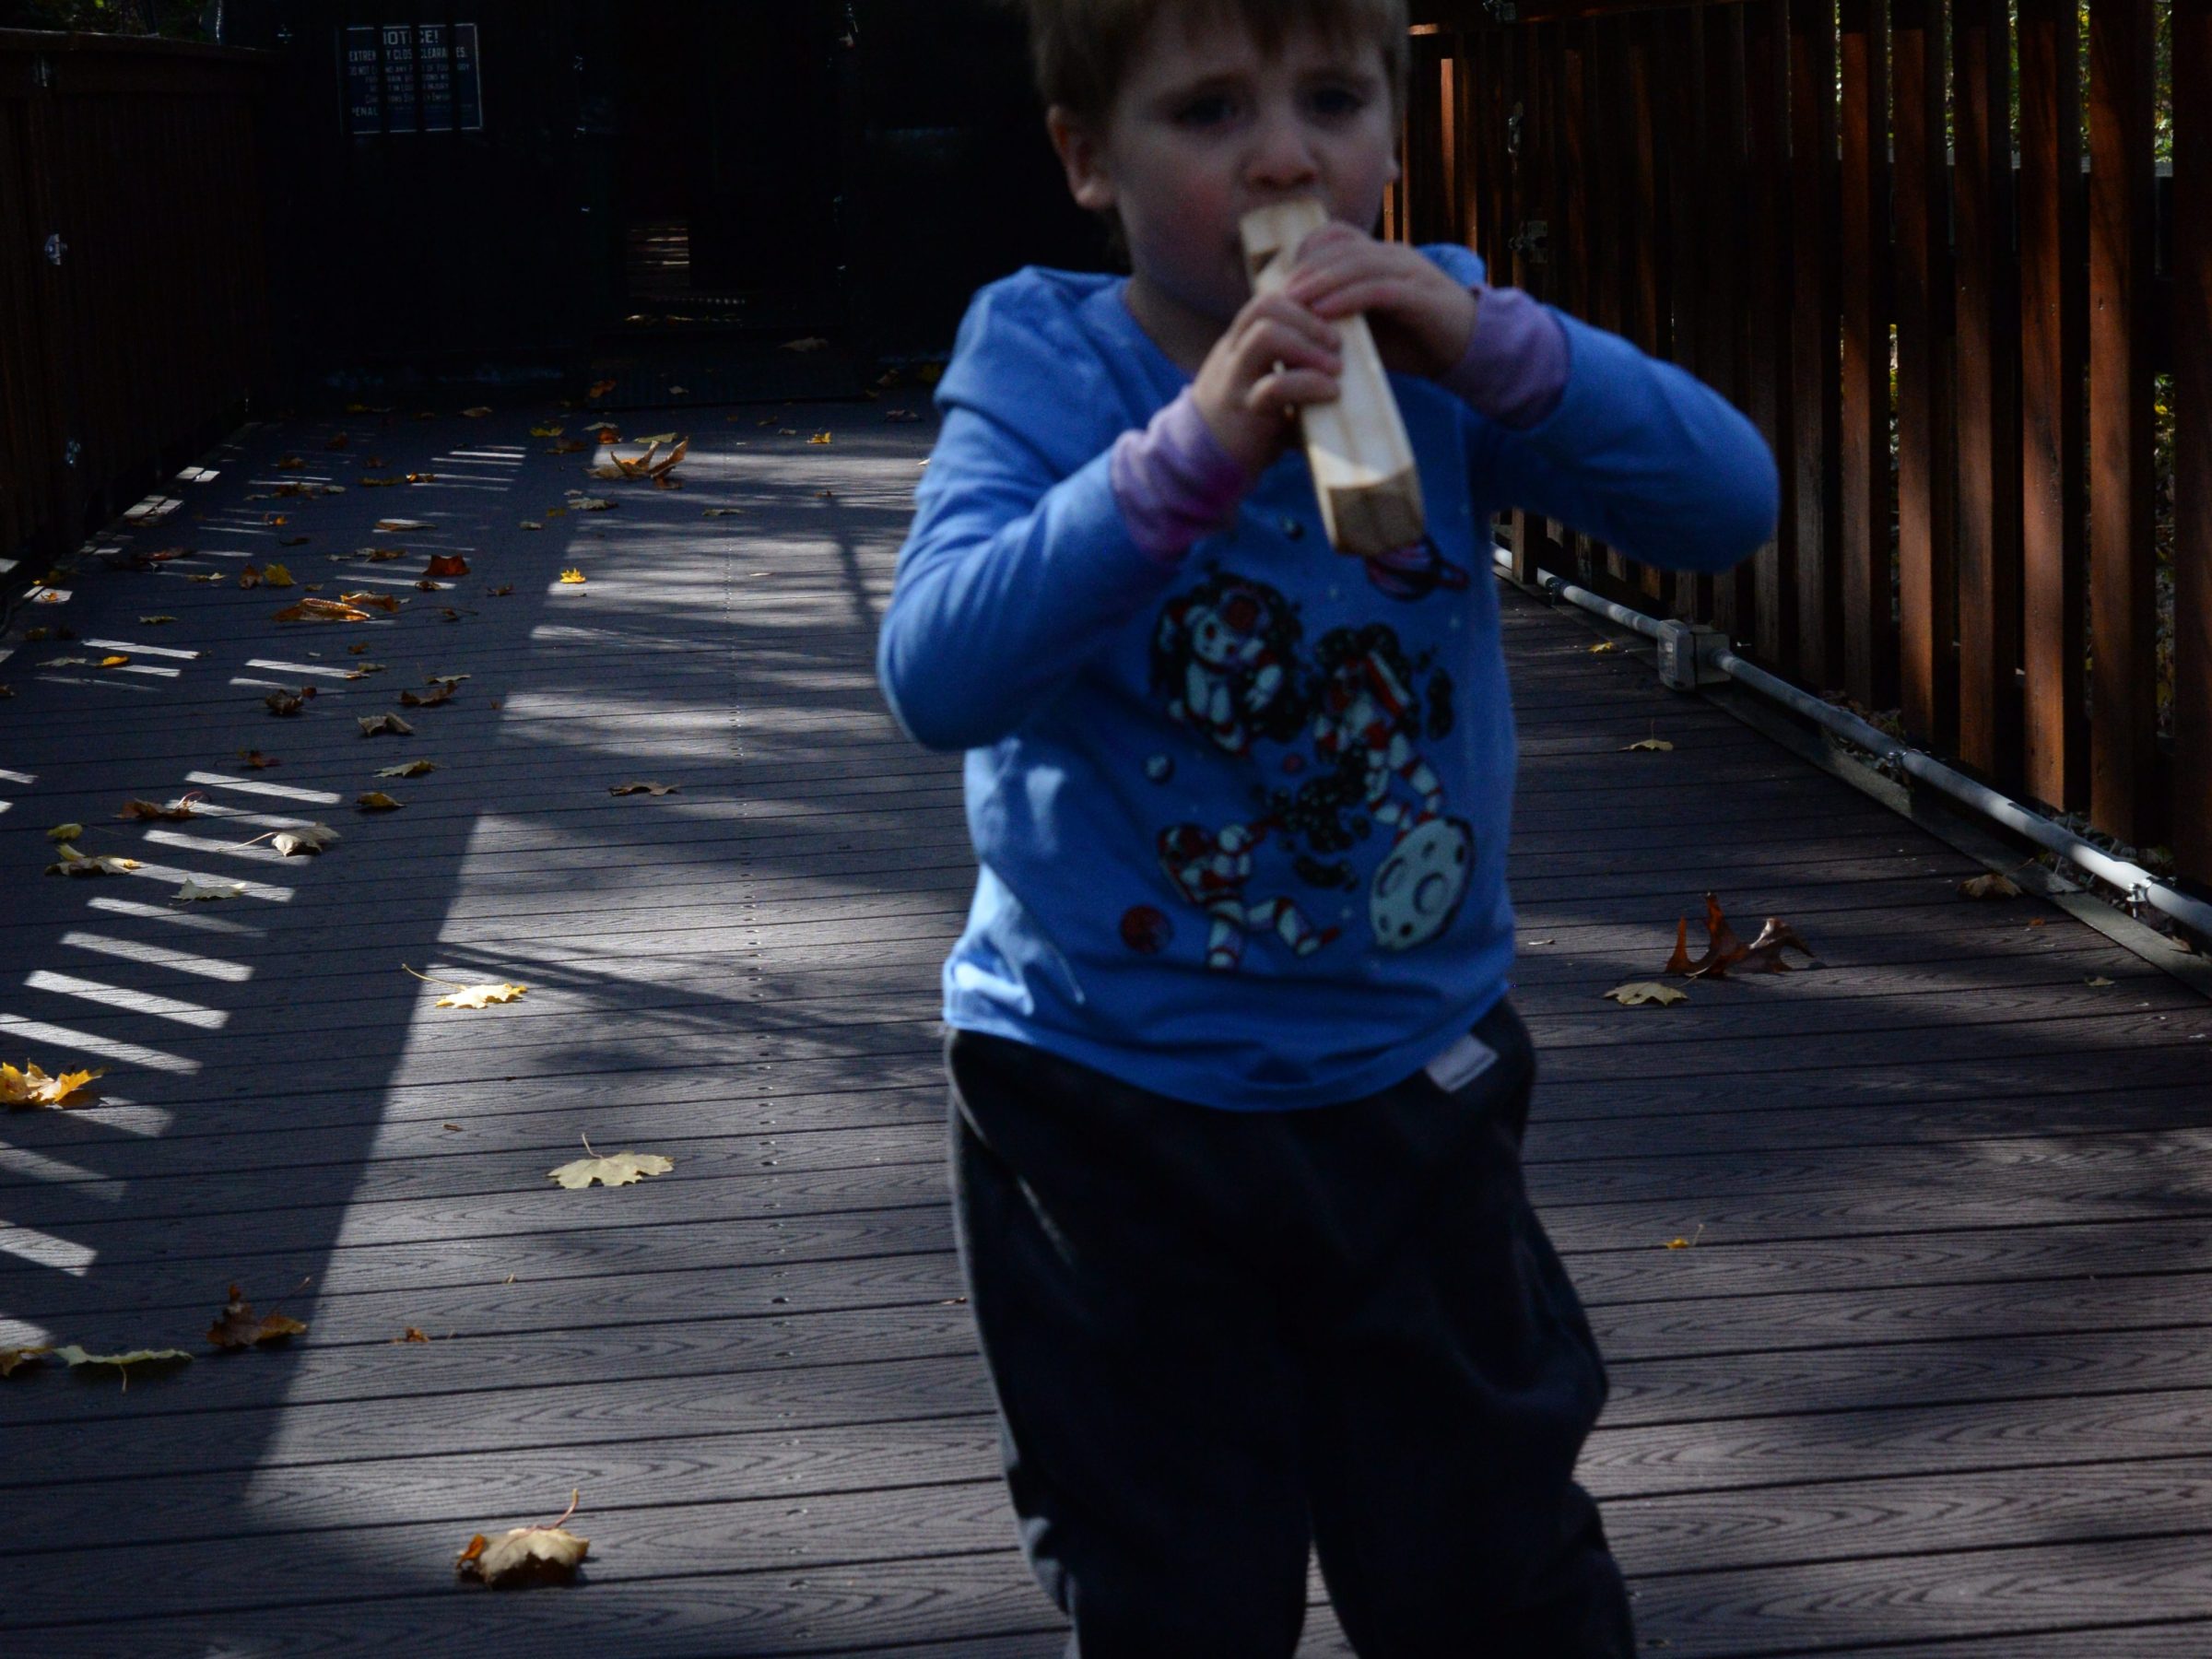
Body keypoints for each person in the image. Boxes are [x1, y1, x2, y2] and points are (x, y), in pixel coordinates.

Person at [876, 1, 1778, 1652]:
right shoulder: (1045, 359)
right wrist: (1187, 454)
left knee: (1491, 1570)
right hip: (1101, 1100)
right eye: (1211, 109)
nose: (1287, 154)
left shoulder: (1437, 354)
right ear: (1088, 157)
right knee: (1173, 1588)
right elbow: (940, 671)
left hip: (1407, 1088)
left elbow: (1730, 505)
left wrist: (1499, 341)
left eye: (1334, 99)